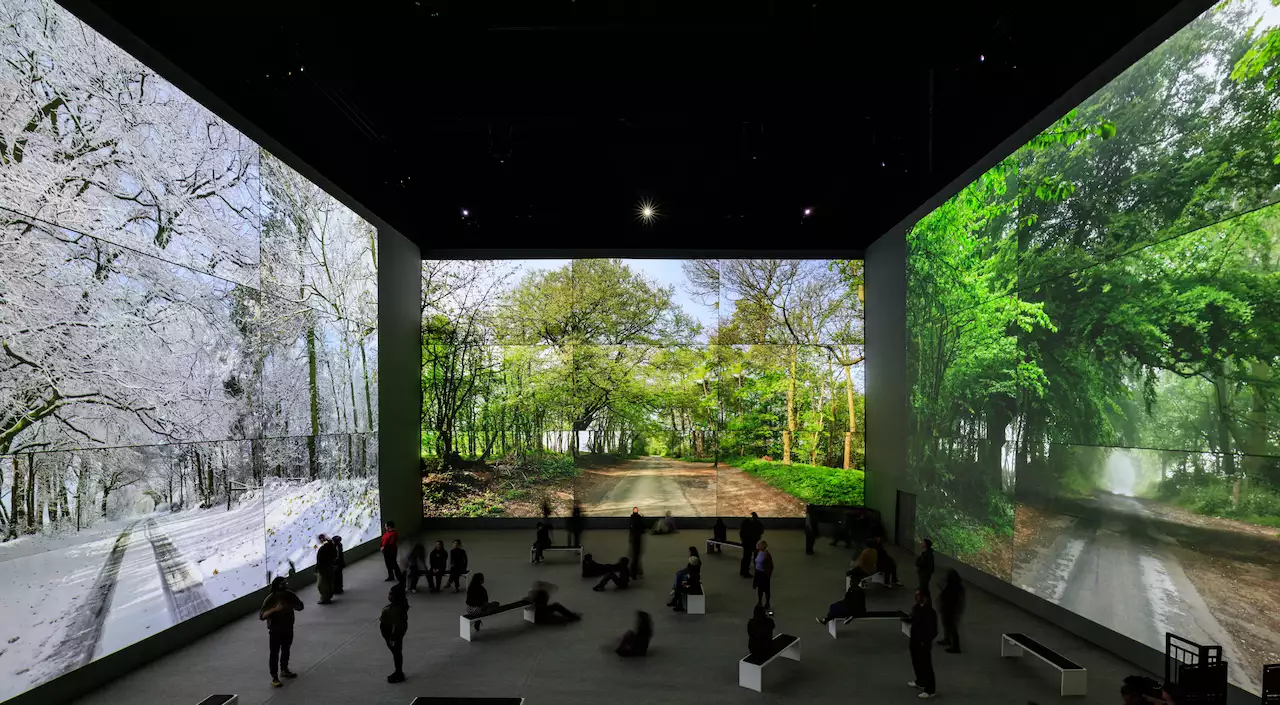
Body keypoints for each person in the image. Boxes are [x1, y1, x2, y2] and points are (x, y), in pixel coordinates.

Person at [259, 576, 303, 687]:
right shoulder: (270, 598)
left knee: (286, 649)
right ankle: (274, 677)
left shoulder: (289, 595)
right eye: (282, 584)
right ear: (277, 585)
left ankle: (284, 670)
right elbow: (262, 616)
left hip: (288, 627)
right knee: (274, 653)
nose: (285, 585)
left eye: (285, 583)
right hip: (275, 630)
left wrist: (291, 605)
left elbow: (300, 606)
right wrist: (275, 609)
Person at [902, 588, 938, 699]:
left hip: (923, 643)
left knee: (926, 665)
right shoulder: (916, 608)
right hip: (914, 640)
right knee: (916, 662)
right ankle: (920, 681)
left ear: (925, 597)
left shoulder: (930, 612)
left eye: (918, 595)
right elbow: (913, 618)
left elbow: (933, 630)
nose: (916, 597)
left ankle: (930, 690)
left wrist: (925, 641)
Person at [379, 583, 409, 684]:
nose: (388, 596)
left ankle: (399, 672)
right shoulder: (396, 607)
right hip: (390, 635)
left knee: (396, 653)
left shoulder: (396, 610)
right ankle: (398, 671)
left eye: (390, 594)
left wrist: (393, 638)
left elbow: (399, 626)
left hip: (393, 637)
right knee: (396, 653)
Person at [937, 569, 964, 653]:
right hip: (947, 608)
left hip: (951, 610)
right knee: (946, 625)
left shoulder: (955, 587)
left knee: (952, 627)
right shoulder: (951, 585)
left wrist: (957, 612)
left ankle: (956, 646)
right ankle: (947, 639)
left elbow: (958, 600)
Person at [739, 512, 763, 578]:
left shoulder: (745, 525)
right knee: (747, 558)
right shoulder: (755, 524)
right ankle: (746, 572)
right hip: (751, 543)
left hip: (746, 543)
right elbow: (760, 531)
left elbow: (741, 534)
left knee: (745, 557)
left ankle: (742, 571)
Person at [315, 534, 337, 604]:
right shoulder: (332, 546)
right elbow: (334, 556)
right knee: (329, 582)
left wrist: (318, 569)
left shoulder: (323, 548)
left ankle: (325, 598)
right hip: (330, 567)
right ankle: (328, 597)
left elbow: (319, 561)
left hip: (323, 569)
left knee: (322, 584)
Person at [753, 539, 774, 610]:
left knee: (766, 589)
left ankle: (767, 603)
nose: (758, 545)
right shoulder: (758, 552)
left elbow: (770, 566)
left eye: (759, 544)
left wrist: (768, 574)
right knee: (760, 589)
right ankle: (760, 601)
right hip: (758, 573)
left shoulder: (767, 555)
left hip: (764, 574)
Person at [628, 508, 645, 579]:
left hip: (634, 540)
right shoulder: (638, 519)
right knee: (636, 557)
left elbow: (631, 529)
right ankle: (636, 572)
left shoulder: (632, 519)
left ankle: (636, 572)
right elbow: (642, 529)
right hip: (637, 540)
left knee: (635, 557)